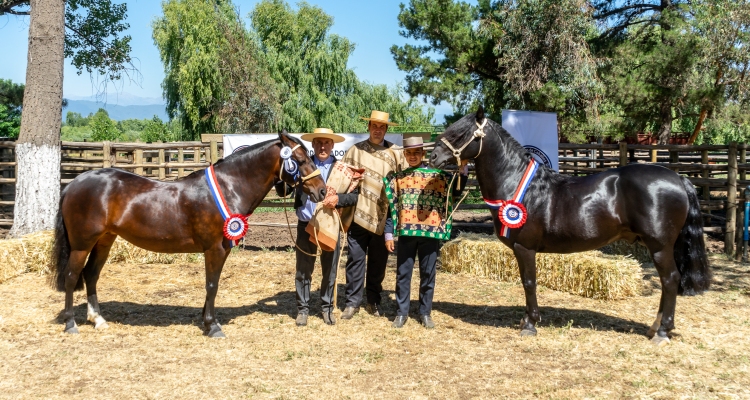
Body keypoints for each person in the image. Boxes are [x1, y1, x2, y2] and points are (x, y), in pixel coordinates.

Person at [274, 128, 358, 327]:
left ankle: (327, 308)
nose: (322, 146)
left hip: (331, 225)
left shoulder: (342, 169)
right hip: (306, 224)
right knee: (303, 269)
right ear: (312, 145)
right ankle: (303, 309)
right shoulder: (301, 165)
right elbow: (283, 191)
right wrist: (279, 175)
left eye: (326, 143)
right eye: (318, 142)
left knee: (330, 269)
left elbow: (355, 196)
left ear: (332, 145)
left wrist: (338, 199)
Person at [383, 136, 468, 328]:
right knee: (403, 275)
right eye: (409, 153)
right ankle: (401, 312)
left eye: (416, 153)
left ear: (423, 154)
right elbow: (392, 208)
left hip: (430, 235)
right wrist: (389, 234)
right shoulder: (399, 178)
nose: (412, 156)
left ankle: (425, 312)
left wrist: (463, 171)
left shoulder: (438, 177)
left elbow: (454, 192)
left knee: (428, 274)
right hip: (406, 235)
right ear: (405, 155)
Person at [339, 110, 408, 319]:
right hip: (358, 215)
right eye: (374, 126)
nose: (378, 130)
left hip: (382, 216)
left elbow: (404, 181)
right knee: (355, 260)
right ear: (368, 127)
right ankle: (352, 302)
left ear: (386, 129)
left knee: (378, 262)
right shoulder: (355, 151)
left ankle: (373, 301)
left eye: (382, 127)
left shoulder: (396, 153)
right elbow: (342, 178)